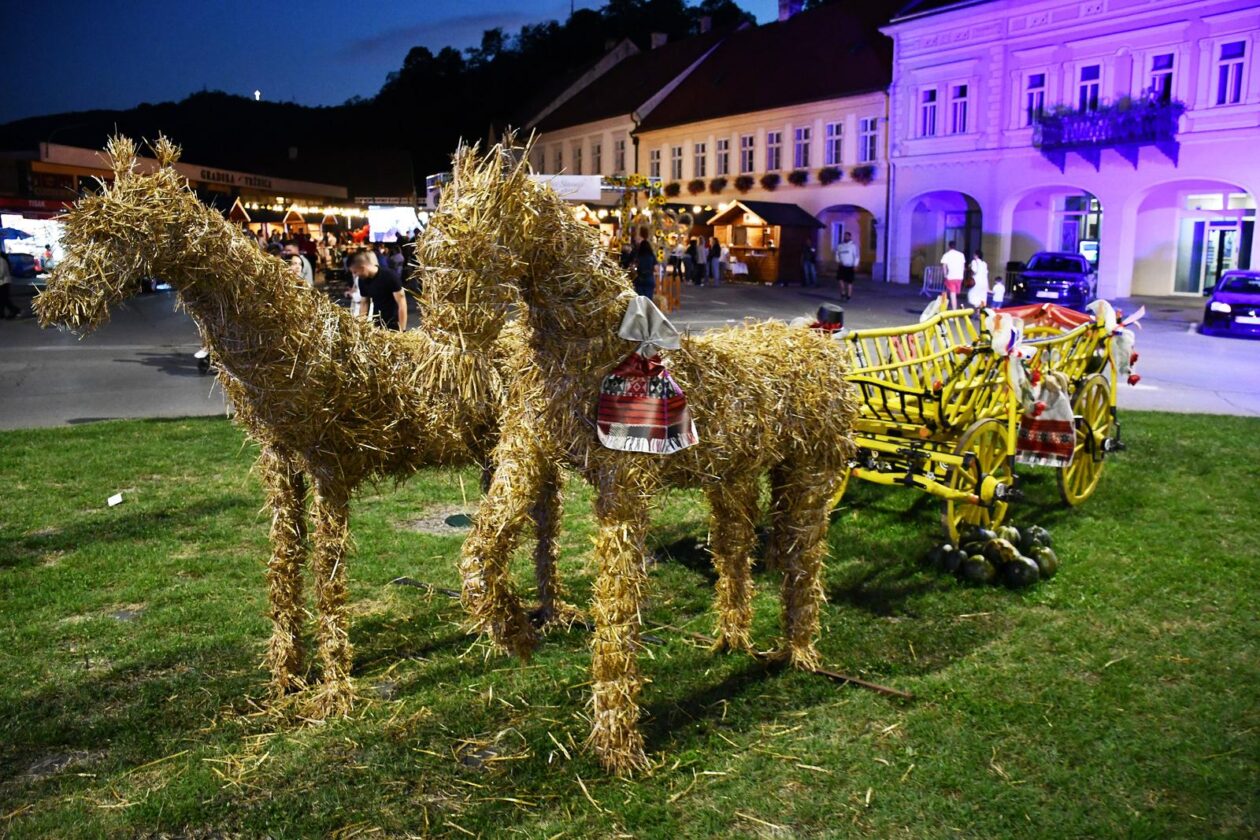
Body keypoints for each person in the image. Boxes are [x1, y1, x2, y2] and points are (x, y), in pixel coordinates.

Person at [350, 250, 407, 330]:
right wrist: (361, 328)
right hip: (377, 324)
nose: (354, 275)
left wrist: (402, 330)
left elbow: (402, 304)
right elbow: (364, 303)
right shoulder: (362, 280)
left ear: (363, 268)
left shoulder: (389, 276)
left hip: (394, 324)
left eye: (355, 272)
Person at [940, 240, 966, 310]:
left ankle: (953, 310)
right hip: (959, 277)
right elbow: (963, 267)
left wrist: (945, 275)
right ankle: (947, 306)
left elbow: (944, 266)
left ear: (949, 246)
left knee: (952, 294)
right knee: (953, 293)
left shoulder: (946, 255)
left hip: (951, 277)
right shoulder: (961, 255)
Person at [634, 231, 658, 300]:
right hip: (649, 278)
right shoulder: (651, 256)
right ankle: (647, 310)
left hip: (640, 278)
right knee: (648, 299)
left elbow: (634, 266)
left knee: (640, 299)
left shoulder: (638, 256)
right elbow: (656, 268)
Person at [836, 231, 859, 301]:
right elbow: (837, 254)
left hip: (850, 266)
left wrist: (855, 265)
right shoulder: (840, 246)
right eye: (844, 236)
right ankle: (843, 293)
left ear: (850, 237)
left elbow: (857, 256)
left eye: (847, 236)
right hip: (842, 266)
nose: (845, 237)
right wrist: (838, 261)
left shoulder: (853, 246)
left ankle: (848, 296)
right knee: (840, 280)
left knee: (849, 282)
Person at [0, 253, 19, 319]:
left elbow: (2, 272)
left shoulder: (1, 260)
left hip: (4, 282)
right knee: (3, 299)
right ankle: (2, 313)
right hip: (2, 282)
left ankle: (14, 310)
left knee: (4, 298)